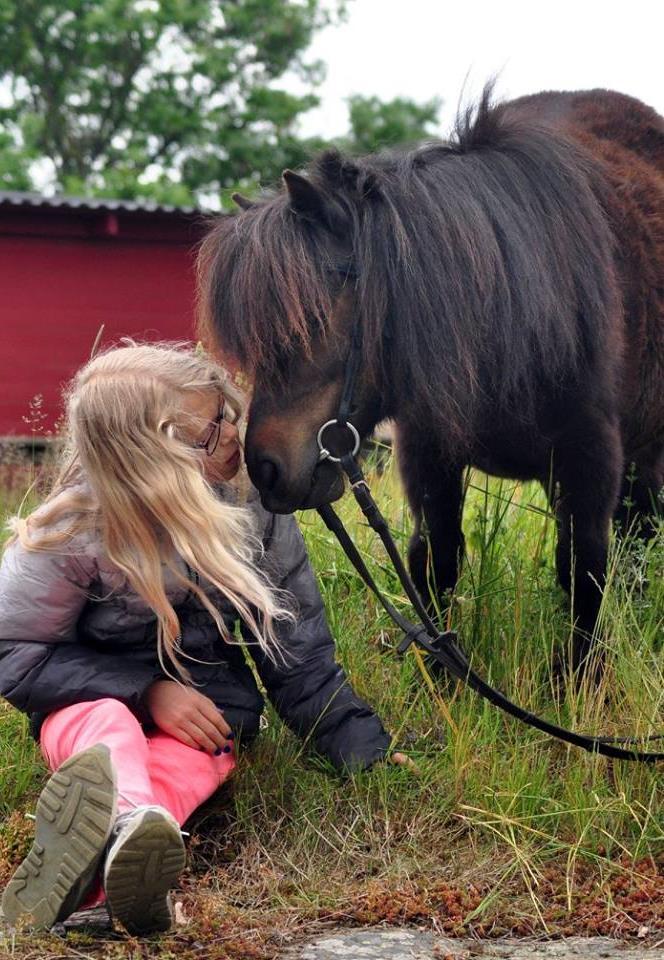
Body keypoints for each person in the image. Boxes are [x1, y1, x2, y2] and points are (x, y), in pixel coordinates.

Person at [0, 342, 399, 936]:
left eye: (228, 413)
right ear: (153, 456)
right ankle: (122, 833)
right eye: (213, 429)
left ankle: (111, 863)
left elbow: (295, 647)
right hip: (86, 704)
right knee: (106, 726)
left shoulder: (253, 512)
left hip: (206, 709)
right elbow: (14, 652)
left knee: (196, 760)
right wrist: (147, 690)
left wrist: (360, 748)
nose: (236, 433)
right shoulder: (72, 532)